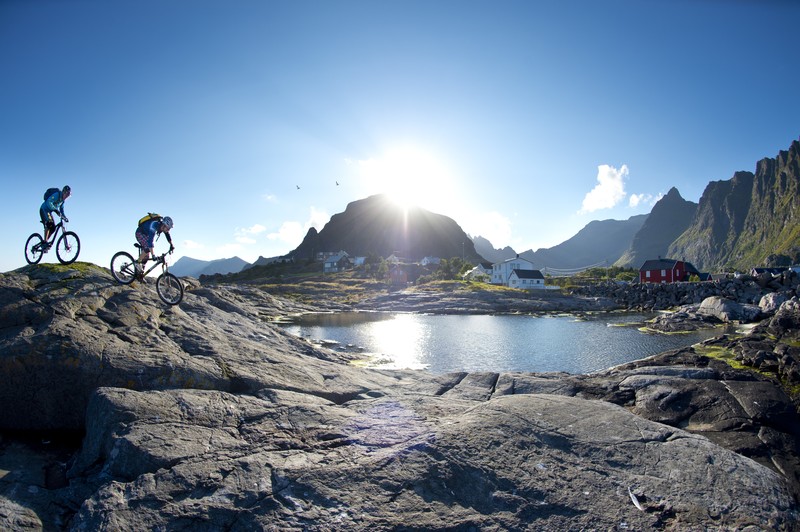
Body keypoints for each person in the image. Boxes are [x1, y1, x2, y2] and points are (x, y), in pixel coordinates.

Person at [40, 185, 71, 250]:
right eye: (67, 194)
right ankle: (45, 242)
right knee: (49, 223)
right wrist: (55, 210)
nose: (67, 196)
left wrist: (65, 217)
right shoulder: (57, 194)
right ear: (64, 192)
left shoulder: (62, 201)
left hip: (49, 212)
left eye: (68, 195)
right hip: (44, 210)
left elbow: (62, 211)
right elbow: (49, 202)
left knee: (53, 228)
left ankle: (45, 242)